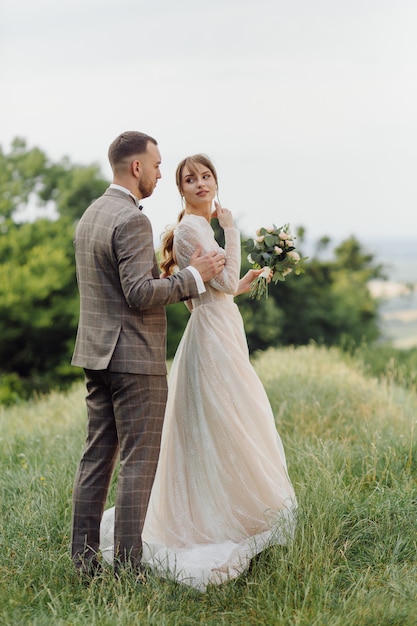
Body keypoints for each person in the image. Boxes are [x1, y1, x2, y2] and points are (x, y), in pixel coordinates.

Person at [100, 153, 297, 590]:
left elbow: (224, 287)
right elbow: (220, 285)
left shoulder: (200, 227)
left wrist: (253, 275)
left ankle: (232, 499)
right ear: (181, 189)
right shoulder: (192, 227)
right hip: (211, 338)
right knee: (228, 418)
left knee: (228, 419)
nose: (200, 184)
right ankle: (219, 515)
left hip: (221, 327)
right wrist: (234, 231)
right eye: (190, 179)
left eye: (206, 176)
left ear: (215, 181)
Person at [71, 134, 226, 579]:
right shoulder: (133, 220)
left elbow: (115, 286)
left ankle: (83, 564)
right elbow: (138, 295)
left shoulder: (92, 213)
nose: (161, 173)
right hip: (133, 358)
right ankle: (128, 567)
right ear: (136, 167)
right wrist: (195, 276)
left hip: (95, 353)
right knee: (140, 460)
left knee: (96, 457)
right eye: (157, 165)